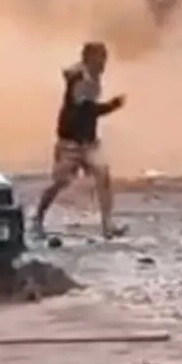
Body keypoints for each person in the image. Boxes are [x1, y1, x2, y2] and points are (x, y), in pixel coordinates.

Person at [31, 42, 127, 240]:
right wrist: (112, 106)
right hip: (70, 143)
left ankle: (108, 225)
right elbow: (86, 110)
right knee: (61, 182)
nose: (103, 63)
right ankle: (37, 218)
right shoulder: (80, 79)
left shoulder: (90, 77)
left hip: (87, 141)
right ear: (89, 59)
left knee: (103, 174)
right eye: (100, 58)